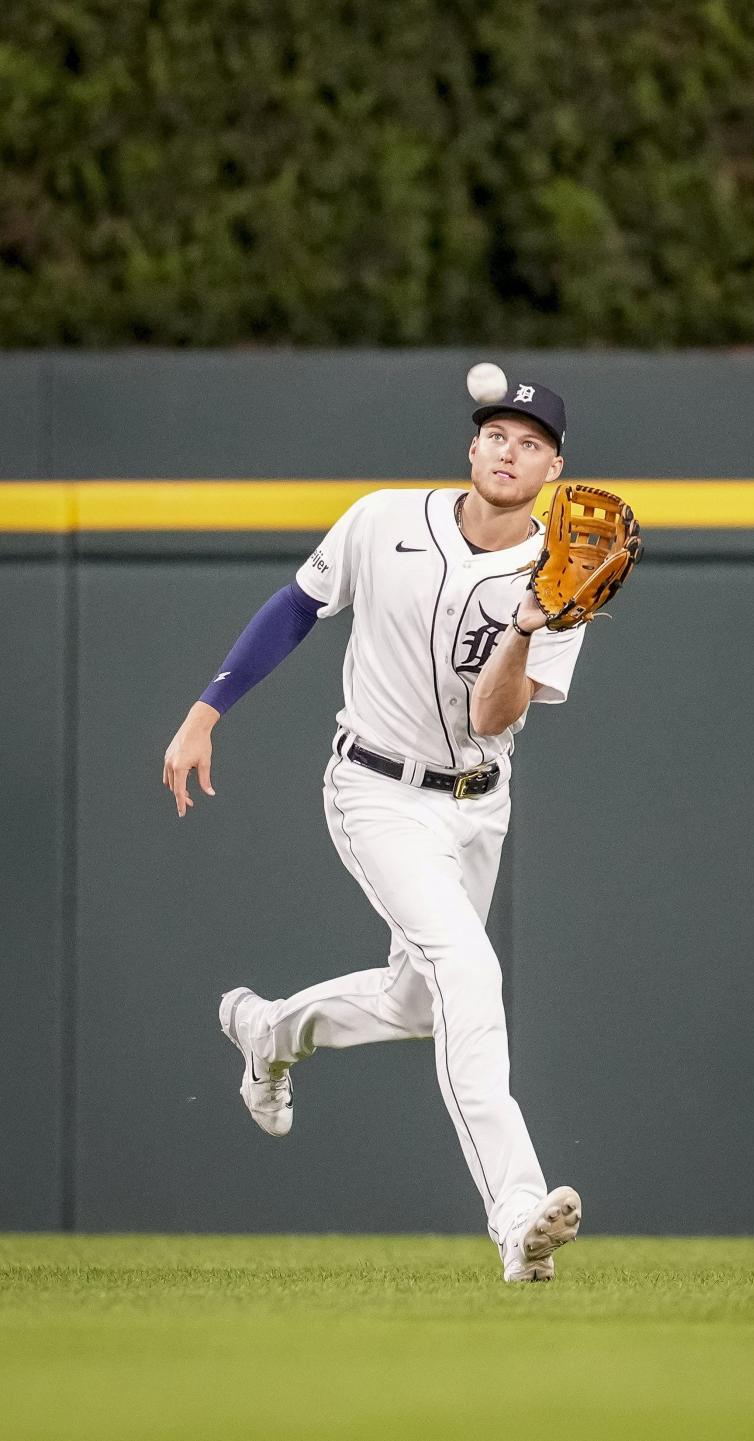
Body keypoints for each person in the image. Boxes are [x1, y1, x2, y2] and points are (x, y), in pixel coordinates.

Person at [163, 378, 586, 1282]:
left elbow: (496, 711)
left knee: (420, 998)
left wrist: (527, 623)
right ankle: (518, 1216)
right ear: (470, 451)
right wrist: (208, 709)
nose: (508, 449)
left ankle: (269, 1034)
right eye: (495, 433)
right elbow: (296, 608)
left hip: (477, 800)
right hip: (375, 791)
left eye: (529, 440)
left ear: (555, 467)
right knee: (469, 968)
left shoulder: (563, 571)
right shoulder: (381, 520)